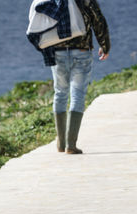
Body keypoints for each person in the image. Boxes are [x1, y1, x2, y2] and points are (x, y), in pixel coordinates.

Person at [51, 0, 110, 154]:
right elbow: (97, 19)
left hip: (57, 51)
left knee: (60, 93)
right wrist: (104, 44)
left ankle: (61, 143)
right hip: (81, 51)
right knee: (77, 94)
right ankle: (71, 145)